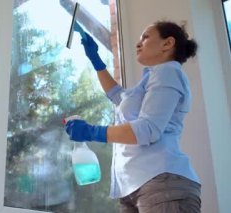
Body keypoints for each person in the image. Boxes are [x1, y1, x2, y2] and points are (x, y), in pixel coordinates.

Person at [65, 21, 201, 212]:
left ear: (167, 44)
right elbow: (118, 96)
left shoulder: (168, 72)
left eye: (145, 37)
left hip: (163, 183)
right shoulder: (151, 78)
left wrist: (91, 132)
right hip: (135, 186)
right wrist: (96, 60)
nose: (138, 43)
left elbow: (148, 129)